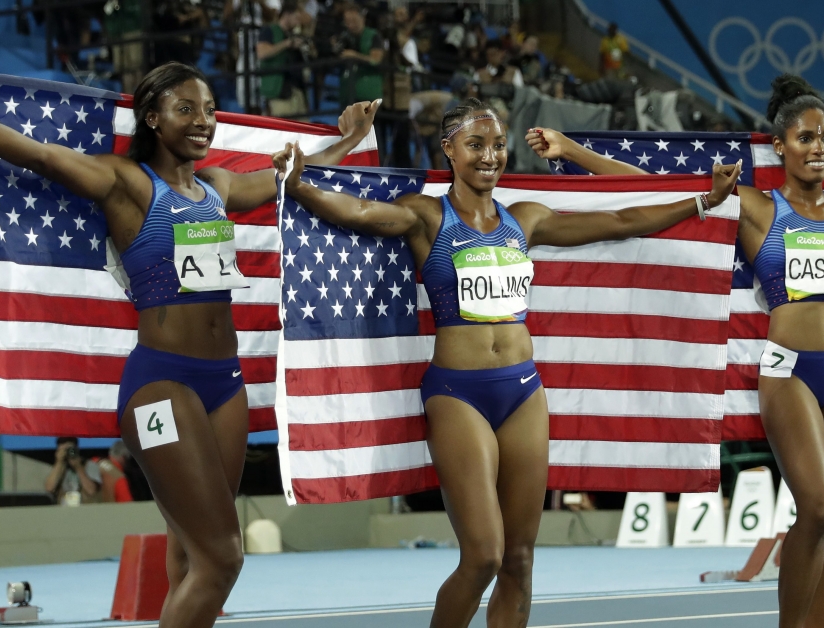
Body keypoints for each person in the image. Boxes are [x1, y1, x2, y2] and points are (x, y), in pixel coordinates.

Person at [526, 74, 824, 628]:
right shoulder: (757, 209)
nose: (819, 147)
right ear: (780, 146)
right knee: (819, 508)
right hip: (791, 374)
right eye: (806, 137)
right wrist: (570, 149)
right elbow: (656, 188)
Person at [275, 97, 741, 628]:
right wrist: (300, 186)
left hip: (523, 392)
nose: (490, 156)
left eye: (498, 145)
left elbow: (619, 221)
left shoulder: (525, 219)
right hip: (458, 395)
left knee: (520, 560)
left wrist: (703, 202)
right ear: (449, 150)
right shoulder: (428, 216)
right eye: (476, 145)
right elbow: (359, 212)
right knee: (484, 556)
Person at [0, 62, 378, 626]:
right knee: (223, 557)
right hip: (160, 385)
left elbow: (285, 177)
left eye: (210, 110)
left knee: (193, 550)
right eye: (186, 109)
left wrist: (349, 141)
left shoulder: (214, 185)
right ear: (152, 117)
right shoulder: (127, 182)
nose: (204, 121)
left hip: (226, 385)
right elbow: (40, 156)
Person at [257, 0, 314, 118]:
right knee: (284, 131)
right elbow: (262, 53)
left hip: (297, 90)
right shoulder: (270, 30)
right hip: (279, 90)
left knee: (303, 131)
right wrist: (286, 44)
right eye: (296, 17)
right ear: (287, 14)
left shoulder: (294, 34)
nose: (298, 21)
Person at [337, 5, 384, 105]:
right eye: (347, 21)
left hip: (368, 93)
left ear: (362, 18)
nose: (350, 25)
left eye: (353, 21)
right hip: (347, 92)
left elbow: (375, 60)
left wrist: (354, 56)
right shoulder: (344, 37)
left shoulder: (373, 35)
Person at [44, 437, 102, 505]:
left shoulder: (90, 465)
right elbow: (49, 489)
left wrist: (78, 467)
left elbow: (92, 491)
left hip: (84, 508)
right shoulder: (57, 467)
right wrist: (59, 463)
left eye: (70, 449)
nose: (67, 453)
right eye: (64, 450)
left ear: (77, 448)